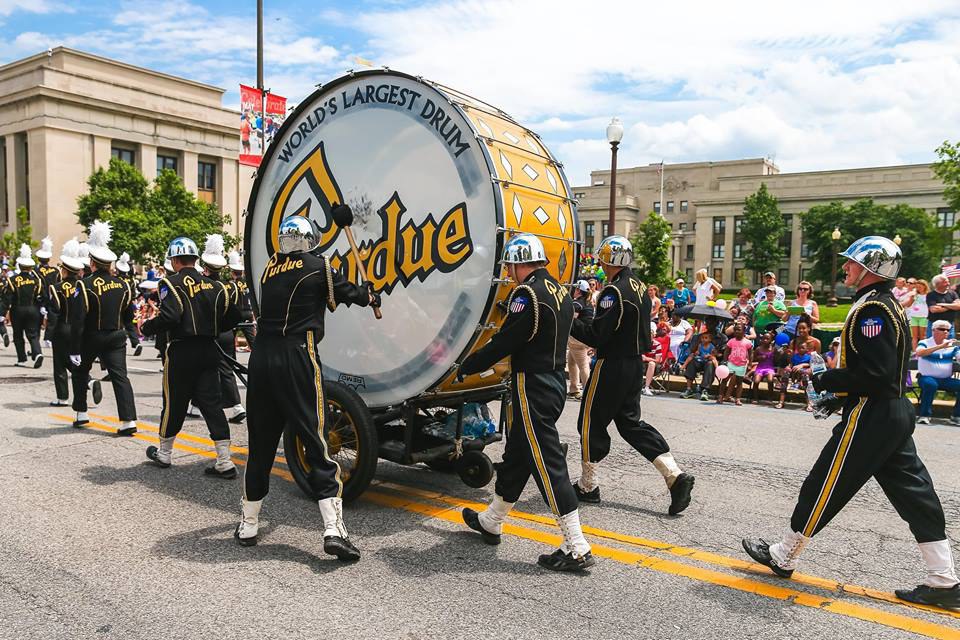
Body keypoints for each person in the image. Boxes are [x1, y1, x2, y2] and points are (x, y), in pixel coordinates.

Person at [743, 236, 960, 609]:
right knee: (916, 495)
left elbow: (875, 374)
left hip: (872, 413)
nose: (845, 267)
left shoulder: (873, 310)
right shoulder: (886, 305)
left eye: (851, 263)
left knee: (824, 483)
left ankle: (784, 555)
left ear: (870, 269)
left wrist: (827, 380)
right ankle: (944, 580)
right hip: (890, 412)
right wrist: (839, 392)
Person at [233, 213, 377, 561]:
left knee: (261, 445)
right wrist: (369, 296)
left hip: (262, 358)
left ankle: (249, 523)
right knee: (315, 441)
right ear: (310, 239)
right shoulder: (320, 267)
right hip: (297, 356)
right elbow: (350, 294)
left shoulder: (270, 268)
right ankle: (333, 529)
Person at [461, 233, 594, 572]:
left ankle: (576, 545)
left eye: (509, 264)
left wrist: (469, 364)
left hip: (531, 384)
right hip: (552, 380)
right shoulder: (560, 290)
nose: (508, 271)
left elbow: (507, 339)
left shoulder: (526, 294)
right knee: (518, 454)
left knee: (547, 463)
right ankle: (493, 520)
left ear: (519, 262)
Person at [570, 236, 695, 515]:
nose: (600, 262)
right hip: (635, 363)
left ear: (608, 260)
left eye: (602, 258)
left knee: (590, 421)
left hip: (611, 364)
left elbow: (597, 335)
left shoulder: (613, 291)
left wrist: (570, 319)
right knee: (630, 424)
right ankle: (674, 475)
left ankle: (588, 486)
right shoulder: (638, 285)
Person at [140, 237, 241, 477]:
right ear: (196, 260)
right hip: (208, 350)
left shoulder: (169, 283)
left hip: (181, 351)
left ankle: (164, 453)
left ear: (174, 261)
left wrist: (147, 327)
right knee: (212, 405)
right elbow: (233, 317)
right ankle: (225, 461)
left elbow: (171, 317)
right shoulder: (216, 286)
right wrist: (214, 327)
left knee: (174, 403)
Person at [69, 221, 137, 435]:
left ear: (92, 263)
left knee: (80, 372)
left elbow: (78, 320)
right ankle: (128, 421)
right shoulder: (124, 285)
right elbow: (128, 314)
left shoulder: (84, 285)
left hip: (92, 336)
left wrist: (74, 348)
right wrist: (132, 336)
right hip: (117, 336)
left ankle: (81, 413)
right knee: (120, 377)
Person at [200, 235, 246, 424]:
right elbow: (237, 314)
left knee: (203, 370)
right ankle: (236, 406)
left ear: (206, 267)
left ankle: (202, 405)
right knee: (225, 369)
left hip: (212, 334)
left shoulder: (204, 286)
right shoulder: (229, 286)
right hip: (227, 333)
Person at [47, 239, 97, 407]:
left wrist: (48, 335)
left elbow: (54, 314)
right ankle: (88, 381)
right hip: (79, 329)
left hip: (62, 328)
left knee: (60, 364)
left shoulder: (56, 288)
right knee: (74, 359)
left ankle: (62, 397)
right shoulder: (82, 285)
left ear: (65, 270)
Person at [914, 319, 960, 426]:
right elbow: (919, 353)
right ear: (933, 330)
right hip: (926, 377)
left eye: (947, 330)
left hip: (945, 380)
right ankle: (924, 415)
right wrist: (940, 347)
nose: (945, 332)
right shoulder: (924, 343)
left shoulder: (952, 345)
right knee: (930, 384)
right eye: (942, 329)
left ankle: (956, 416)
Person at [5, 244, 44, 368]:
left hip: (17, 310)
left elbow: (7, 298)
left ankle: (22, 359)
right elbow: (42, 296)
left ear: (20, 266)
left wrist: (2, 313)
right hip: (33, 309)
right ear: (31, 267)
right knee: (32, 334)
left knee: (18, 335)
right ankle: (37, 353)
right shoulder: (37, 280)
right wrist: (43, 307)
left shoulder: (12, 280)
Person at [567, 280, 594, 400]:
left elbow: (571, 320)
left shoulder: (577, 303)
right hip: (584, 337)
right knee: (571, 362)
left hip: (577, 338)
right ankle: (574, 389)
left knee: (583, 366)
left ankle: (588, 393)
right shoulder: (587, 302)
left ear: (578, 290)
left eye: (575, 289)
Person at [115, 252, 143, 356]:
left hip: (119, 304)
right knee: (130, 325)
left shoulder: (116, 280)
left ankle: (119, 346)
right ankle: (136, 343)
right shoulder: (131, 280)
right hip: (130, 304)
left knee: (118, 326)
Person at [227, 250, 256, 350]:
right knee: (252, 340)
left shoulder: (232, 285)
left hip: (237, 313)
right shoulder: (247, 283)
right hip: (248, 312)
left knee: (230, 340)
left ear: (232, 272)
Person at [35, 237, 60, 346]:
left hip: (41, 298)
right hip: (54, 297)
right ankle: (48, 338)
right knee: (53, 318)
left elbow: (38, 287)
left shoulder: (36, 271)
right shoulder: (55, 270)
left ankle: (36, 342)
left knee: (37, 322)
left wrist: (42, 303)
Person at [719, 323, 752, 406]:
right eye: (735, 330)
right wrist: (725, 361)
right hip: (731, 363)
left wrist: (750, 363)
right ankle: (720, 396)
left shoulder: (748, 342)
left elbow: (751, 353)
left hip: (741, 364)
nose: (737, 331)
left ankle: (738, 399)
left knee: (739, 382)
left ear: (744, 331)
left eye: (739, 330)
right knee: (725, 380)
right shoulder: (731, 341)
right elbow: (727, 351)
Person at [682, 332, 718, 400]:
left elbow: (713, 355)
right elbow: (698, 352)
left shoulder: (711, 346)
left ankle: (705, 390)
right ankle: (689, 389)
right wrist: (697, 353)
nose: (704, 339)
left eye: (706, 338)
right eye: (702, 338)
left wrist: (709, 356)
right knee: (692, 361)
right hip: (700, 361)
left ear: (710, 339)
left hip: (707, 362)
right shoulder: (700, 345)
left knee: (710, 363)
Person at [750, 332, 777, 404]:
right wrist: (760, 357)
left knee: (770, 380)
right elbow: (753, 358)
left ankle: (770, 398)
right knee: (756, 381)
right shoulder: (758, 349)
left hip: (769, 368)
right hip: (760, 368)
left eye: (767, 339)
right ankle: (755, 398)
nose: (765, 340)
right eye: (764, 338)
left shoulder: (773, 349)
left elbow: (777, 359)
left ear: (771, 340)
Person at [902, 278, 928, 352]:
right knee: (914, 336)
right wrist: (911, 298)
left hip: (923, 317)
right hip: (914, 317)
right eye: (917, 287)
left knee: (922, 336)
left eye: (920, 287)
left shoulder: (928, 295)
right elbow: (909, 305)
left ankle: (923, 351)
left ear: (924, 286)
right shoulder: (915, 295)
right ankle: (914, 352)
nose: (918, 288)